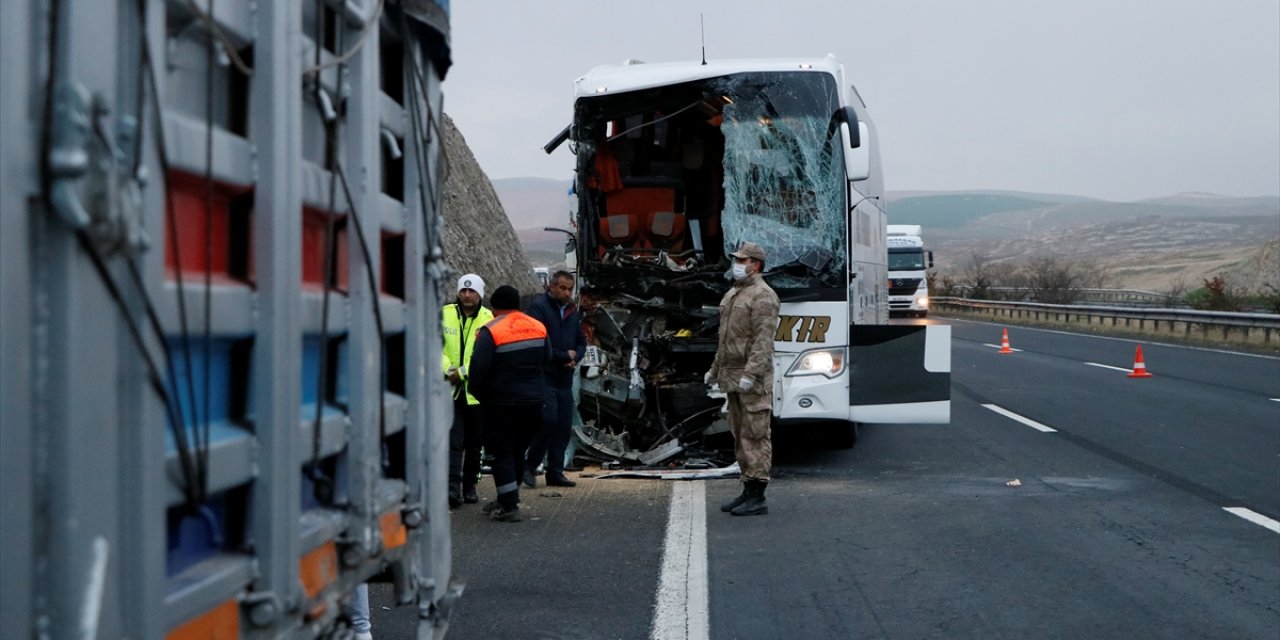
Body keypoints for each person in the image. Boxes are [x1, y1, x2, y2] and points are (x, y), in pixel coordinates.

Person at [705, 241, 780, 516]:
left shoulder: (763, 296)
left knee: (756, 435)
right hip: (732, 377)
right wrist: (714, 371)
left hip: (752, 380)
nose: (737, 264)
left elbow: (762, 341)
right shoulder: (734, 294)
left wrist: (751, 374)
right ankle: (747, 489)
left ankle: (758, 495)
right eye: (737, 260)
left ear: (755, 265)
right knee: (740, 436)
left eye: (742, 260)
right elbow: (725, 342)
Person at [468, 285, 549, 522]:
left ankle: (509, 506)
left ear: (494, 308)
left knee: (500, 452)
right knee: (516, 450)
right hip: (534, 403)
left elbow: (478, 371)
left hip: (501, 404)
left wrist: (481, 397)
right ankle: (507, 496)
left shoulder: (490, 330)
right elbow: (546, 360)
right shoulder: (538, 327)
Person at [523, 270, 587, 488]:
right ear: (551, 287)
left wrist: (575, 358)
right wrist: (563, 356)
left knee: (562, 426)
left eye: (570, 289)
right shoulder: (538, 308)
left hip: (565, 377)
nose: (567, 292)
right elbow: (539, 340)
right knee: (547, 420)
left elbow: (581, 341)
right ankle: (530, 465)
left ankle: (555, 471)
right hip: (545, 375)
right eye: (562, 288)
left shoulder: (572, 312)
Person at [442, 274, 494, 507]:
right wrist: (447, 370)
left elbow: (484, 356)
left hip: (476, 392)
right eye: (463, 290)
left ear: (480, 294)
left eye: (472, 291)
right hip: (450, 391)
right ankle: (452, 489)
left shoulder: (487, 318)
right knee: (454, 441)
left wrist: (461, 372)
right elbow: (435, 345)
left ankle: (470, 485)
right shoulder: (445, 313)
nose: (467, 295)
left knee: (475, 443)